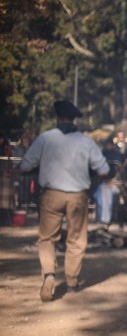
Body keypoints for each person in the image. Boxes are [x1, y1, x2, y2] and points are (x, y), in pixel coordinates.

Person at [18, 100, 109, 301]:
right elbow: (103, 170)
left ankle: (49, 274)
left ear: (58, 118)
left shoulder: (46, 138)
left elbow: (25, 166)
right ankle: (72, 282)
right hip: (78, 195)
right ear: (75, 119)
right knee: (76, 239)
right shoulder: (86, 142)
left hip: (51, 194)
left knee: (47, 238)